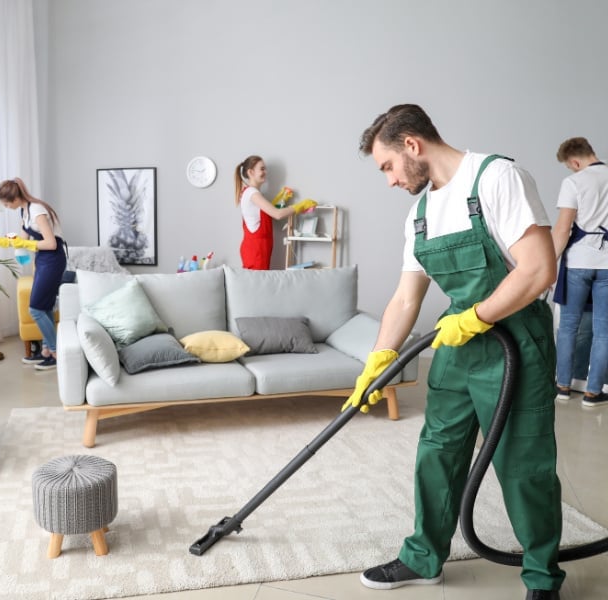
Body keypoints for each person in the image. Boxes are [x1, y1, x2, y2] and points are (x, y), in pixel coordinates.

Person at [349, 104, 564, 600]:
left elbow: (537, 270)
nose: (388, 181)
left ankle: (541, 578)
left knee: (522, 463)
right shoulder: (420, 213)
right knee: (437, 454)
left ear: (412, 145)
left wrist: (478, 317)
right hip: (456, 348)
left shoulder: (497, 177)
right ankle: (423, 556)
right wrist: (377, 362)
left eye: (387, 167)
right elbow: (406, 298)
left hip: (515, 345)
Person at [550, 137, 608, 407]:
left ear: (574, 161)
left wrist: (549, 263)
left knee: (568, 327)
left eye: (571, 167)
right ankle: (593, 393)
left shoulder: (574, 182)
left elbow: (562, 229)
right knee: (603, 331)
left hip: (578, 263)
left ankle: (562, 386)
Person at [0, 178, 66, 371]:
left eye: (6, 203)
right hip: (43, 259)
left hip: (53, 259)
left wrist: (27, 245)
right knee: (44, 306)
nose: (5, 207)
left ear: (14, 198)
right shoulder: (25, 210)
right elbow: (20, 239)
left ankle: (56, 353)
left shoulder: (37, 210)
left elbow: (51, 243)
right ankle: (46, 351)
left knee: (36, 309)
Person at [234, 155, 317, 269]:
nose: (266, 172)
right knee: (257, 284)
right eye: (262, 169)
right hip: (256, 250)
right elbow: (277, 214)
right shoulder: (253, 193)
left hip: (258, 248)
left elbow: (266, 214)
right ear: (251, 172)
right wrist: (300, 206)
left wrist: (281, 199)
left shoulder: (251, 193)